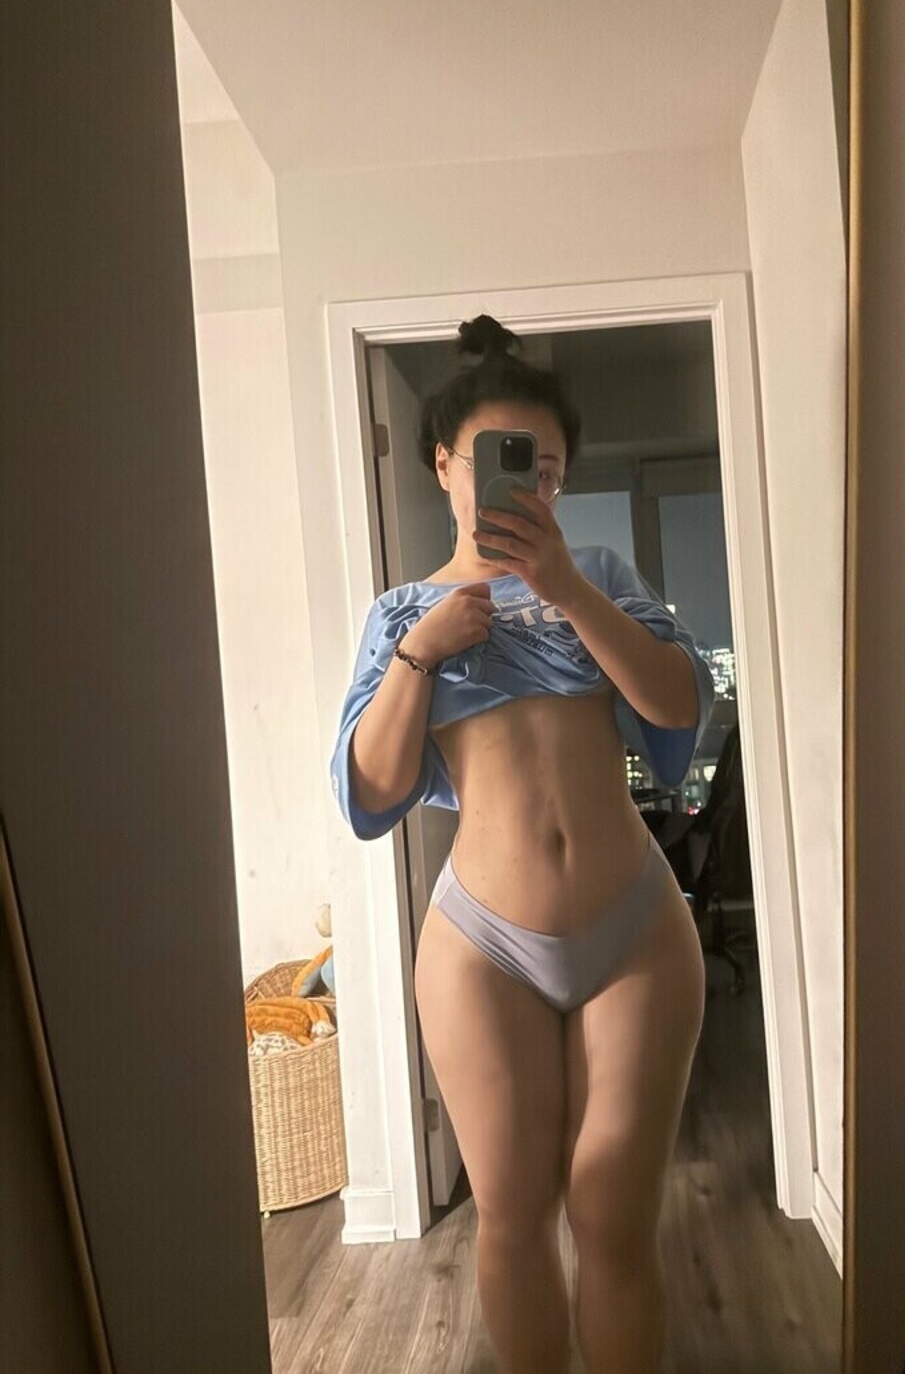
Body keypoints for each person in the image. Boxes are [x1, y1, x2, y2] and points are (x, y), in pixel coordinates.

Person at [330, 315, 715, 1374]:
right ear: (444, 464)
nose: (523, 484)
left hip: (634, 929)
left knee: (612, 1211)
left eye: (541, 469)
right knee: (510, 1211)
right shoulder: (402, 612)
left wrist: (567, 591)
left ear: (559, 480)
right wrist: (419, 653)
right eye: (499, 460)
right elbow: (371, 789)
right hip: (481, 945)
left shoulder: (599, 572)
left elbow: (679, 706)